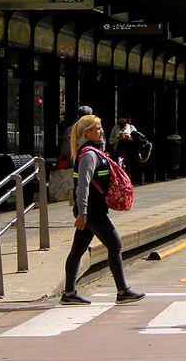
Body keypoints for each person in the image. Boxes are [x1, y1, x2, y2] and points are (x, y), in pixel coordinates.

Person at [62, 113, 144, 305]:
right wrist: (82, 213)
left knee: (77, 250)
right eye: (97, 128)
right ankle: (122, 291)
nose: (102, 130)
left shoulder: (96, 152)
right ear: (87, 133)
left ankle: (69, 293)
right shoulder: (89, 155)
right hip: (92, 212)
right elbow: (82, 186)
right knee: (115, 245)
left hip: (93, 210)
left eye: (100, 127)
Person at [110, 112, 151, 185]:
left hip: (130, 152)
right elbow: (110, 141)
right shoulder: (115, 127)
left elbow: (137, 139)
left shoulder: (131, 127)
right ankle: (121, 184)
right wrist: (117, 138)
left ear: (127, 120)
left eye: (124, 119)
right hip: (118, 151)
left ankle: (128, 184)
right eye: (120, 119)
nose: (122, 121)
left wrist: (129, 137)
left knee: (129, 168)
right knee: (119, 167)